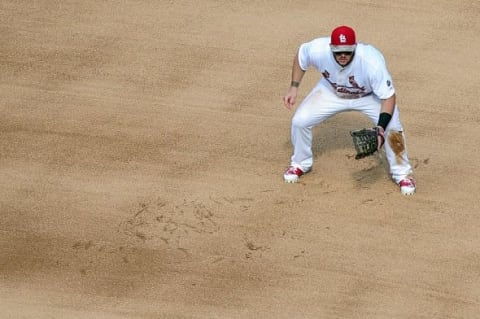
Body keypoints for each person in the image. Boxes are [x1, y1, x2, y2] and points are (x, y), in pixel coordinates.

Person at [283, 25, 416, 195]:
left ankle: (402, 174)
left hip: (368, 97)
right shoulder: (318, 49)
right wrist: (294, 87)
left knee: (393, 129)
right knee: (300, 121)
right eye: (338, 52)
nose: (343, 56)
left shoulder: (371, 62)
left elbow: (389, 97)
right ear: (331, 48)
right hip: (331, 92)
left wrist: (381, 128)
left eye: (347, 51)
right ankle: (300, 164)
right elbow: (301, 55)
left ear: (355, 47)